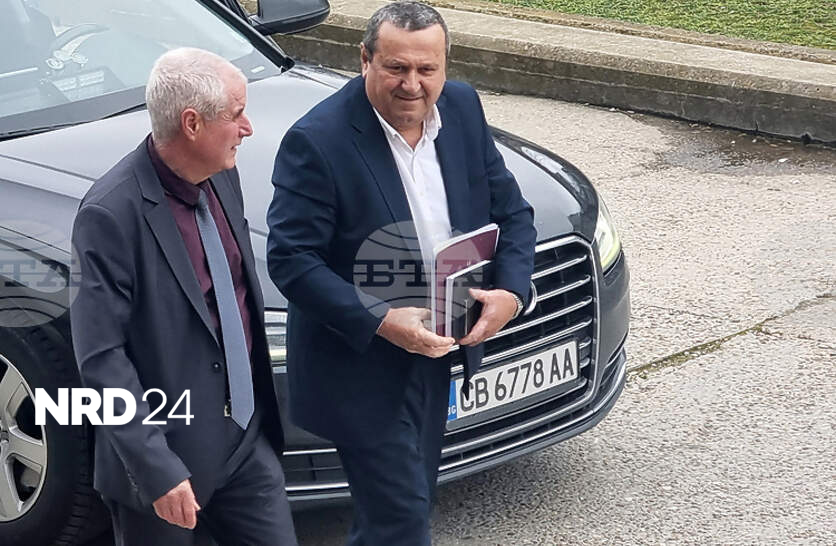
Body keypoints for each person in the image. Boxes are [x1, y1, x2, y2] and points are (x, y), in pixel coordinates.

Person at [266, 2, 536, 544]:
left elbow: (512, 213)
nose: (412, 85)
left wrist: (511, 290)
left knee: (400, 512)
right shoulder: (317, 140)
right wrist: (383, 321)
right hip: (360, 365)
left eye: (427, 69)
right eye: (396, 68)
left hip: (438, 349)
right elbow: (291, 260)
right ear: (364, 59)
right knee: (402, 519)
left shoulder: (462, 108)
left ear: (445, 65)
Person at [71, 48, 297, 545]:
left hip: (247, 442)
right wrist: (157, 468)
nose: (248, 128)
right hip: (166, 462)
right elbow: (102, 359)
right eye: (236, 114)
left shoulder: (222, 173)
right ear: (192, 124)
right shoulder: (110, 214)